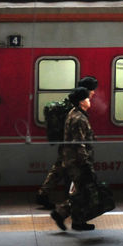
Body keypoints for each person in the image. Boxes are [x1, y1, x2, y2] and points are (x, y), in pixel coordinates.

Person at [36, 76, 98, 209]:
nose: (94, 93)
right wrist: (84, 157)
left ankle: (44, 193)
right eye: (92, 90)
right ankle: (69, 202)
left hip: (68, 145)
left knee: (59, 168)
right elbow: (77, 136)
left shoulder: (72, 104)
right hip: (71, 147)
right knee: (69, 172)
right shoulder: (76, 111)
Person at [50, 87, 97, 231]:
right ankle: (72, 219)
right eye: (87, 99)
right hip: (77, 161)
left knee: (79, 190)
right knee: (81, 190)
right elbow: (79, 144)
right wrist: (86, 163)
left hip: (71, 159)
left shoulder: (73, 114)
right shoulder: (79, 118)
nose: (90, 101)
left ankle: (67, 216)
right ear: (82, 101)